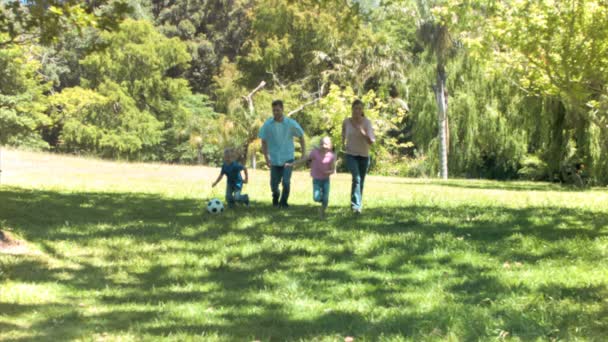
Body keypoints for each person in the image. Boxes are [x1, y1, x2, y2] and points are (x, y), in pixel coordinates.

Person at [258, 100, 306, 208]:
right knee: (274, 184)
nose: (276, 112)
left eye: (278, 110)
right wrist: (266, 157)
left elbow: (301, 136)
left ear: (282, 109)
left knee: (286, 182)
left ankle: (283, 202)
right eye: (274, 110)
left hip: (288, 158)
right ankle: (276, 195)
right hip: (274, 159)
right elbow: (263, 141)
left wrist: (303, 154)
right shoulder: (267, 124)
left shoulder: (290, 123)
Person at [287, 136, 336, 219]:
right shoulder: (315, 153)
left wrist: (329, 172)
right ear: (319, 144)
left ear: (330, 146)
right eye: (322, 143)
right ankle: (323, 200)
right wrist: (292, 164)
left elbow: (333, 170)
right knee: (316, 198)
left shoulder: (331, 156)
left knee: (325, 198)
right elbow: (303, 159)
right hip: (316, 179)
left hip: (325, 180)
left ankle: (322, 212)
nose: (323, 146)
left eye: (326, 144)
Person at [342, 99, 375, 214]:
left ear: (362, 110)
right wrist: (343, 144)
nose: (357, 111)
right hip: (351, 154)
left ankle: (356, 204)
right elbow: (343, 132)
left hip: (364, 156)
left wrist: (363, 133)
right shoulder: (346, 122)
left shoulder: (367, 123)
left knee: (360, 181)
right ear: (352, 109)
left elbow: (371, 142)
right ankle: (356, 206)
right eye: (355, 108)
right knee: (356, 178)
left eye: (360, 108)